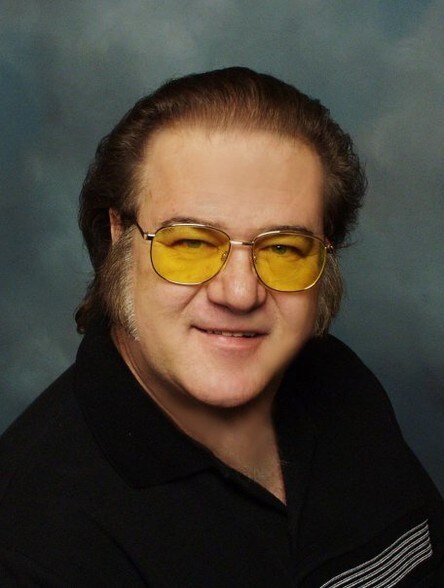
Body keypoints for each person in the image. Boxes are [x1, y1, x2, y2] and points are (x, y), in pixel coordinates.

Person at [0, 67, 442, 587]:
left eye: (283, 248)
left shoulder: (340, 379)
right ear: (119, 234)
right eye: (190, 242)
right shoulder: (34, 540)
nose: (239, 294)